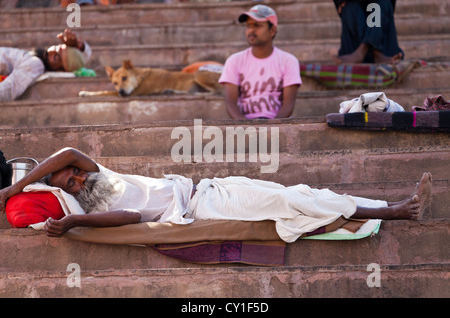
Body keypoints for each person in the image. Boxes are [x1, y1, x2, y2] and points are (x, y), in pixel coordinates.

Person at [0, 148, 432, 243]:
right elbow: (131, 217)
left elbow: (67, 153)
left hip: (208, 188)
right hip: (202, 208)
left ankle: (385, 207)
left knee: (295, 192)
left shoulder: (96, 173)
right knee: (290, 201)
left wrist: (14, 185)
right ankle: (396, 211)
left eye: (76, 172)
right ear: (62, 191)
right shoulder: (87, 208)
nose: (76, 176)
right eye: (67, 181)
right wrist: (74, 219)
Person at [219, 5, 302, 120]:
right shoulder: (234, 61)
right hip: (245, 127)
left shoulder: (288, 61)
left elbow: (288, 106)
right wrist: (248, 128)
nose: (251, 30)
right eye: (248, 25)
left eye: (257, 25)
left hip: (278, 125)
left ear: (272, 31)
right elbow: (231, 104)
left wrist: (271, 129)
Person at [0, 28, 91, 102]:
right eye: (57, 48)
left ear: (59, 70)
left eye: (56, 57)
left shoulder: (35, 65)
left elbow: (9, 89)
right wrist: (78, 46)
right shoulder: (34, 59)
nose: (51, 51)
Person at [333, 0, 404, 64]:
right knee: (349, 7)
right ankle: (371, 51)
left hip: (380, 26)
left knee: (383, 4)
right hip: (355, 39)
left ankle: (364, 50)